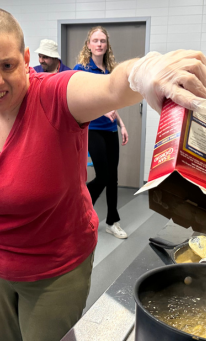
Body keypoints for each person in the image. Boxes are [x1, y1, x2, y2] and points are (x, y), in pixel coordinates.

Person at [0, 6, 206, 341]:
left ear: (27, 58)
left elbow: (111, 87)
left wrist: (143, 72)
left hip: (54, 268)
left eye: (8, 65)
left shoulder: (53, 96)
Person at [73, 26, 132, 239]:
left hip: (110, 129)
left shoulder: (110, 70)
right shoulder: (81, 69)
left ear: (107, 45)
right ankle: (78, 209)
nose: (99, 44)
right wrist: (101, 110)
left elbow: (112, 104)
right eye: (95, 40)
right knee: (103, 176)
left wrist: (122, 125)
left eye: (103, 41)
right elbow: (79, 100)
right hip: (93, 129)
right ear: (89, 45)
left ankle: (112, 222)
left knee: (113, 177)